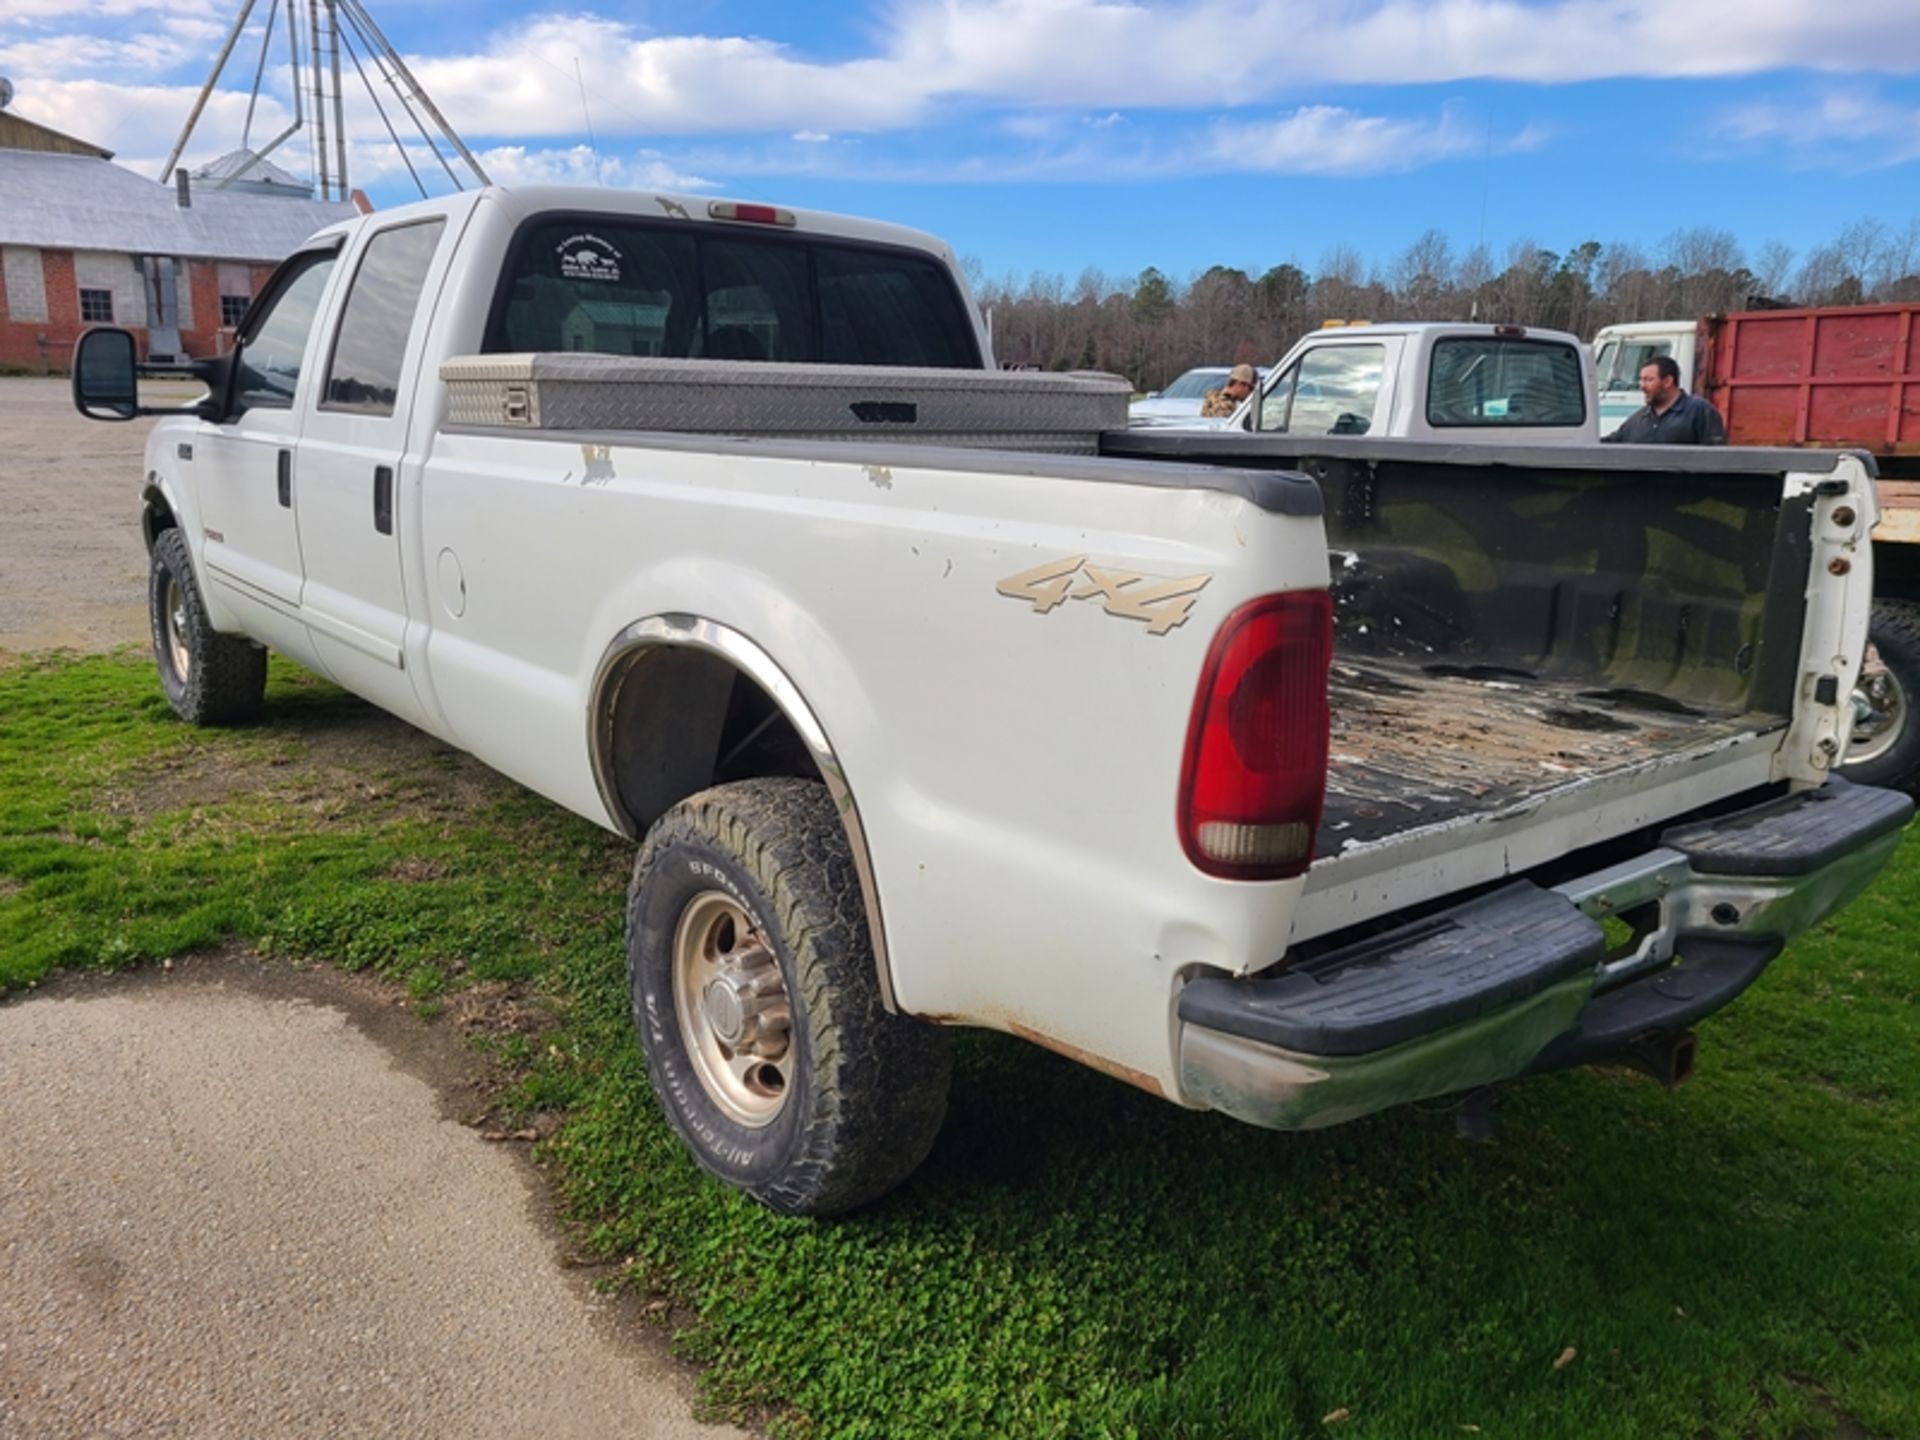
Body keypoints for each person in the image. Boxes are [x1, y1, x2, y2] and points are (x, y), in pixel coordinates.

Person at [1602, 355, 1726, 444]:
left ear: (1668, 381)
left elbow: (1716, 458)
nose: (1642, 386)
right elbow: (1611, 444)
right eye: (1641, 380)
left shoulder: (1700, 412)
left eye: (1648, 380)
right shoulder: (1637, 420)